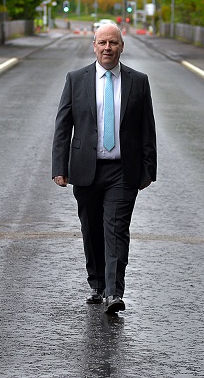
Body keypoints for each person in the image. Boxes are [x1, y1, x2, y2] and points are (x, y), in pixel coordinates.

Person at [52, 23, 157, 314]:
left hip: (123, 170)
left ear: (122, 46)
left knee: (117, 229)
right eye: (102, 42)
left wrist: (149, 170)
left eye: (113, 42)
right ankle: (97, 284)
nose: (107, 48)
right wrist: (59, 167)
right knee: (91, 229)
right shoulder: (76, 80)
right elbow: (63, 127)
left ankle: (114, 292)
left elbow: (147, 127)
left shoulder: (138, 81)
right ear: (94, 46)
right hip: (86, 169)